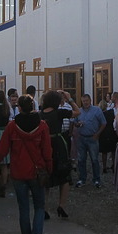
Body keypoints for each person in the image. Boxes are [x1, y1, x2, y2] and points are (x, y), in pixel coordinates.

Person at [0, 95, 52, 234]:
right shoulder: (42, 126)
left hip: (18, 173)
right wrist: (49, 169)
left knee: (23, 209)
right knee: (39, 207)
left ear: (19, 108)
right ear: (33, 107)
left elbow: (1, 151)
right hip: (37, 171)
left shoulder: (12, 126)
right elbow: (47, 152)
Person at [40, 90, 73, 219]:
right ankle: (62, 205)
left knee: (46, 177)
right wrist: (69, 99)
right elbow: (77, 112)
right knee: (64, 176)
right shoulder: (59, 112)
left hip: (46, 144)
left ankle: (44, 208)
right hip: (58, 144)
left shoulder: (41, 114)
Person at [74, 93, 106, 188]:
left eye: (87, 101)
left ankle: (96, 179)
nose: (85, 103)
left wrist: (97, 134)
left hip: (92, 138)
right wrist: (78, 124)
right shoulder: (79, 111)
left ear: (90, 100)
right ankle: (82, 179)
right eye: (83, 101)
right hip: (81, 137)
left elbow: (104, 123)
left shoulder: (97, 110)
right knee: (81, 160)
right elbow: (75, 123)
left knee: (95, 159)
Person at [99, 91, 118, 174]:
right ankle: (113, 166)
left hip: (105, 132)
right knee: (112, 150)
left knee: (106, 151)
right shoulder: (112, 111)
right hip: (111, 132)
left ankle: (105, 166)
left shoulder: (102, 113)